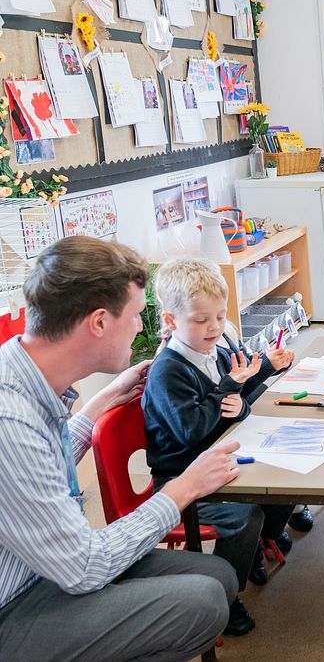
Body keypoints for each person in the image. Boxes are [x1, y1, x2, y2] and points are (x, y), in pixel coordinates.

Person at [0, 236, 241, 660]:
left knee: (219, 576)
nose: (141, 327)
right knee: (202, 603)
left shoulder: (21, 369)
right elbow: (84, 565)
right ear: (98, 322)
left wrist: (97, 406)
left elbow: (39, 464)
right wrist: (181, 489)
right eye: (134, 316)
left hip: (41, 565)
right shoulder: (10, 418)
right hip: (17, 599)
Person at [142, 258, 296, 635]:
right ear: (171, 320)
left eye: (219, 316)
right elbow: (192, 431)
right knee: (246, 517)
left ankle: (258, 545)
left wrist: (240, 398)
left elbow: (235, 398)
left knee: (291, 469)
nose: (214, 327)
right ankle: (227, 595)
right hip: (182, 476)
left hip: (219, 456)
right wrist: (228, 391)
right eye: (200, 320)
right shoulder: (168, 371)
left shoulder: (216, 349)